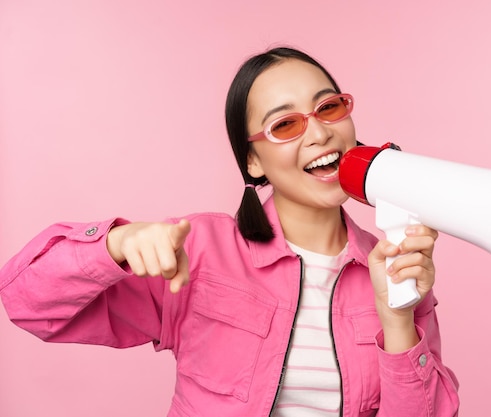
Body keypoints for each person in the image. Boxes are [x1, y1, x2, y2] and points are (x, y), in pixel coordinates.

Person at [0, 46, 460, 416]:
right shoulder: (197, 251)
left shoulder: (397, 267)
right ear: (253, 161)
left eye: (329, 107)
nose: (319, 133)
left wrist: (398, 318)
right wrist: (115, 244)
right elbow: (27, 304)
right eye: (285, 124)